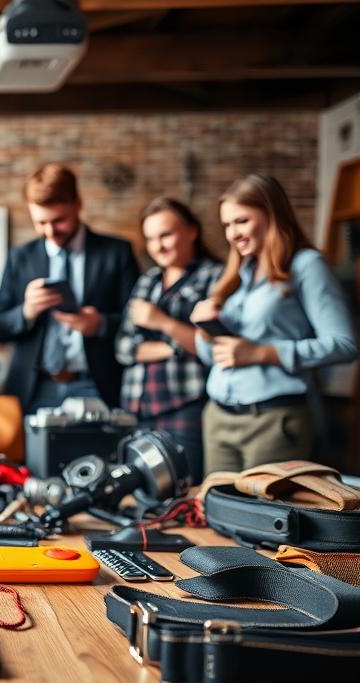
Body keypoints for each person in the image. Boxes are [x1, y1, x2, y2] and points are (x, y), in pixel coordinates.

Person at [190, 174, 357, 473]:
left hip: (273, 421)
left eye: (241, 221)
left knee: (262, 505)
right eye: (227, 225)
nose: (232, 234)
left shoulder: (306, 265)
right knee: (216, 503)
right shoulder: (236, 274)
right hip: (218, 417)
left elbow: (344, 345)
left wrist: (262, 353)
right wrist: (205, 330)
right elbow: (213, 357)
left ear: (272, 214)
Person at [0, 163, 140, 411]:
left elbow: (136, 322)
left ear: (78, 204)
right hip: (32, 389)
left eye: (59, 220)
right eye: (40, 222)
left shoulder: (116, 253)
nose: (50, 232)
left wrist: (100, 324)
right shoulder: (20, 257)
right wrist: (26, 312)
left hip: (97, 386)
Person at [115, 197, 222, 481]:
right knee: (142, 492)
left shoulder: (215, 277)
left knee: (185, 489)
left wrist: (161, 321)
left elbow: (213, 345)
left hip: (185, 405)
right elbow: (123, 348)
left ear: (192, 231)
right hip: (137, 406)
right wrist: (176, 346)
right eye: (151, 239)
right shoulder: (147, 280)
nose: (158, 247)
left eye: (166, 235)